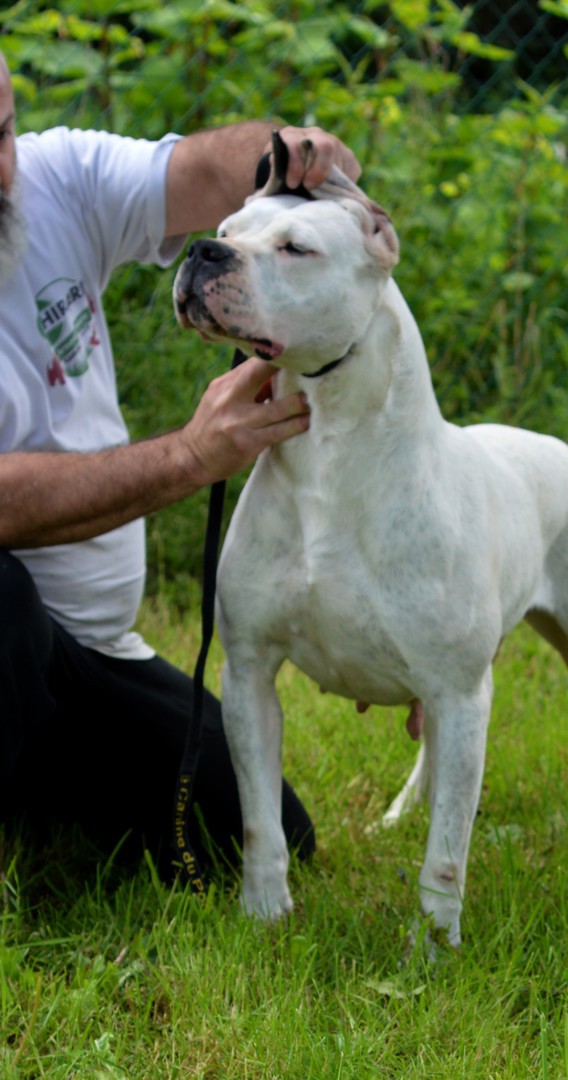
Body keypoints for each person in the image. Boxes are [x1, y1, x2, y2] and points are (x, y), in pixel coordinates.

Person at [0, 50, 360, 875]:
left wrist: (284, 160)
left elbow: (199, 172)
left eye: (2, 133)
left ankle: (34, 795)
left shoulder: (53, 178)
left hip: (90, 654)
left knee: (258, 835)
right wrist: (189, 456)